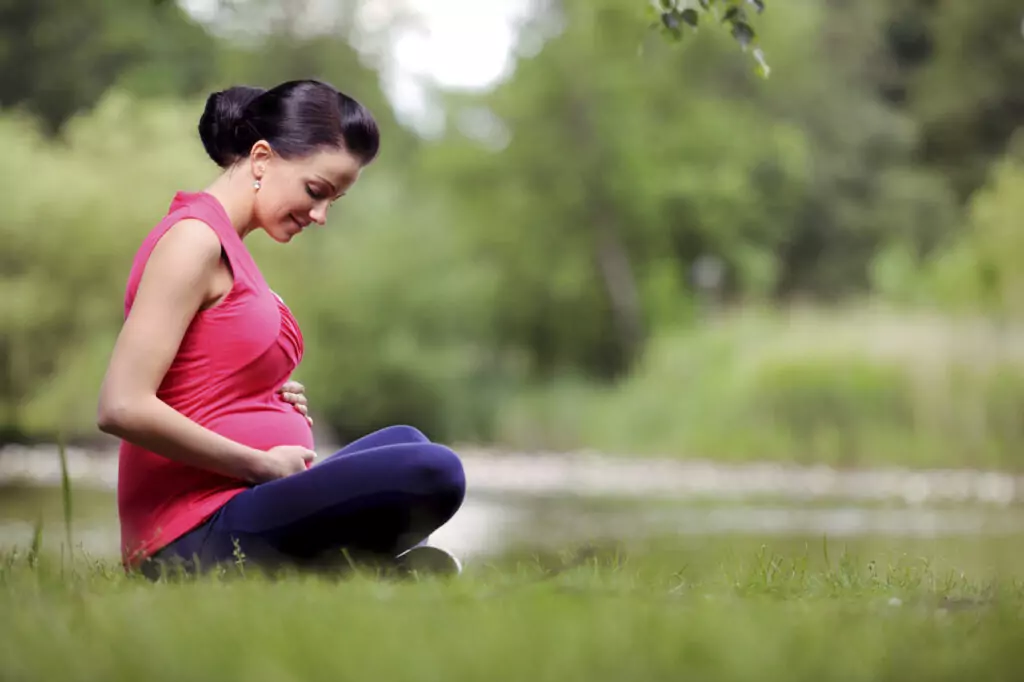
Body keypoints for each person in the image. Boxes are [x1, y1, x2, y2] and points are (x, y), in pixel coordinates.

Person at [96, 79, 466, 580]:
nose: (320, 215)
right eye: (316, 191)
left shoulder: (228, 244)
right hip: (190, 530)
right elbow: (122, 405)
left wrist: (259, 392)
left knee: (407, 440)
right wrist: (260, 463)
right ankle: (360, 575)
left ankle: (359, 576)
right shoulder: (193, 240)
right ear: (263, 158)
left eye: (333, 201)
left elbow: (196, 371)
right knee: (432, 471)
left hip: (243, 500)